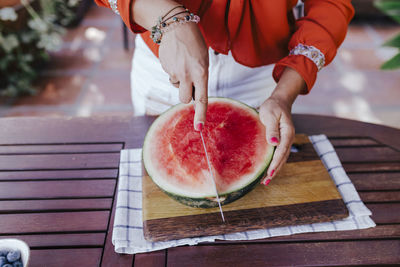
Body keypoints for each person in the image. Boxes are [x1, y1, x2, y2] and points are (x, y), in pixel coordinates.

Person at [95, 0, 354, 184]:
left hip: (261, 76)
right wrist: (168, 18)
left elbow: (330, 4)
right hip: (167, 60)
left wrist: (283, 95)